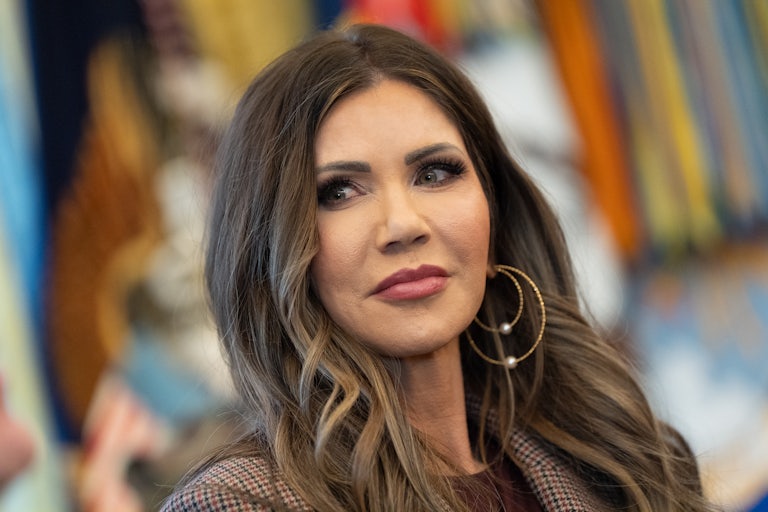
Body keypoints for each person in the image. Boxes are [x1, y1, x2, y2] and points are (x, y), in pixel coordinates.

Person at [162, 24, 714, 511]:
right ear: (272, 251)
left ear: (494, 212)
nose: (403, 224)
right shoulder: (234, 504)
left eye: (434, 173)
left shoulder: (608, 452)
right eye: (339, 191)